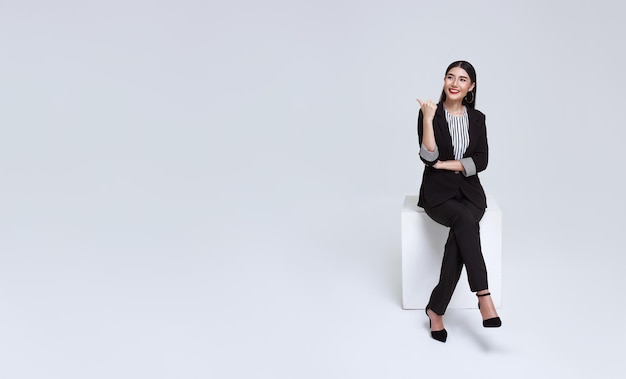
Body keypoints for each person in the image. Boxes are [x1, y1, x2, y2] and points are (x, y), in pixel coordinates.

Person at [416, 60, 501, 343]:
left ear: (471, 87)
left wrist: (446, 165)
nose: (455, 83)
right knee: (464, 222)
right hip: (438, 196)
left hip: (471, 194)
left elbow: (482, 160)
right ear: (444, 81)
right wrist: (427, 118)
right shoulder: (430, 113)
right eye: (450, 77)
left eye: (462, 80)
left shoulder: (478, 119)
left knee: (461, 234)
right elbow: (428, 157)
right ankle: (484, 295)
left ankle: (435, 309)